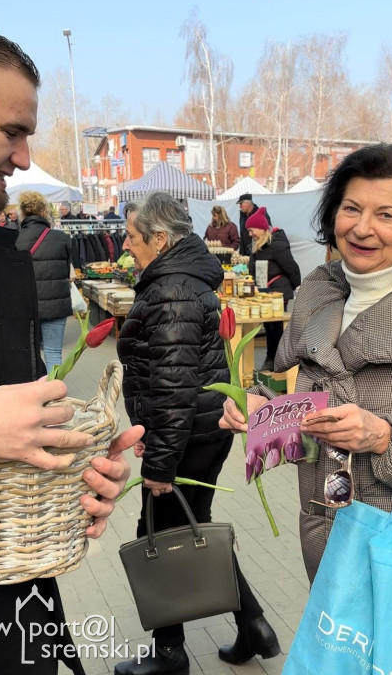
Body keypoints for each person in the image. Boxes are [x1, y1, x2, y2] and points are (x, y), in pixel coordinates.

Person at [0, 23, 143, 674]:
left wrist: (78, 467)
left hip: (7, 615)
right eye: (12, 131)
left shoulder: (2, 261)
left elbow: (24, 433)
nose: (25, 158)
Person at [221, 143, 392, 596]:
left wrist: (386, 439)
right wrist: (267, 412)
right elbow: (329, 412)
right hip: (334, 548)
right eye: (351, 208)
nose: (362, 228)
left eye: (386, 215)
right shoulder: (324, 299)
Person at [115, 191, 279, 675]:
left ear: (159, 239)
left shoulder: (172, 289)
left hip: (186, 435)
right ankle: (253, 623)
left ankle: (169, 652)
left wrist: (159, 464)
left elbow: (172, 384)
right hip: (201, 429)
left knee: (160, 532)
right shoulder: (182, 279)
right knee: (194, 531)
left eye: (133, 236)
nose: (127, 246)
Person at [16, 190, 73, 374]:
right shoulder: (61, 238)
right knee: (53, 352)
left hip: (25, 307)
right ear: (44, 212)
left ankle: (34, 394)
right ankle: (55, 394)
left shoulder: (12, 239)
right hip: (56, 305)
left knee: (27, 354)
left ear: (22, 213)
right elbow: (65, 272)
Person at [246, 207, 301, 371]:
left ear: (262, 228)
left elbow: (291, 268)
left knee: (276, 328)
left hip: (277, 292)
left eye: (251, 230)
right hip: (265, 292)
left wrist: (293, 286)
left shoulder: (276, 245)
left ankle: (277, 361)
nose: (250, 234)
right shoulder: (259, 246)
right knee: (270, 327)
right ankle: (273, 359)